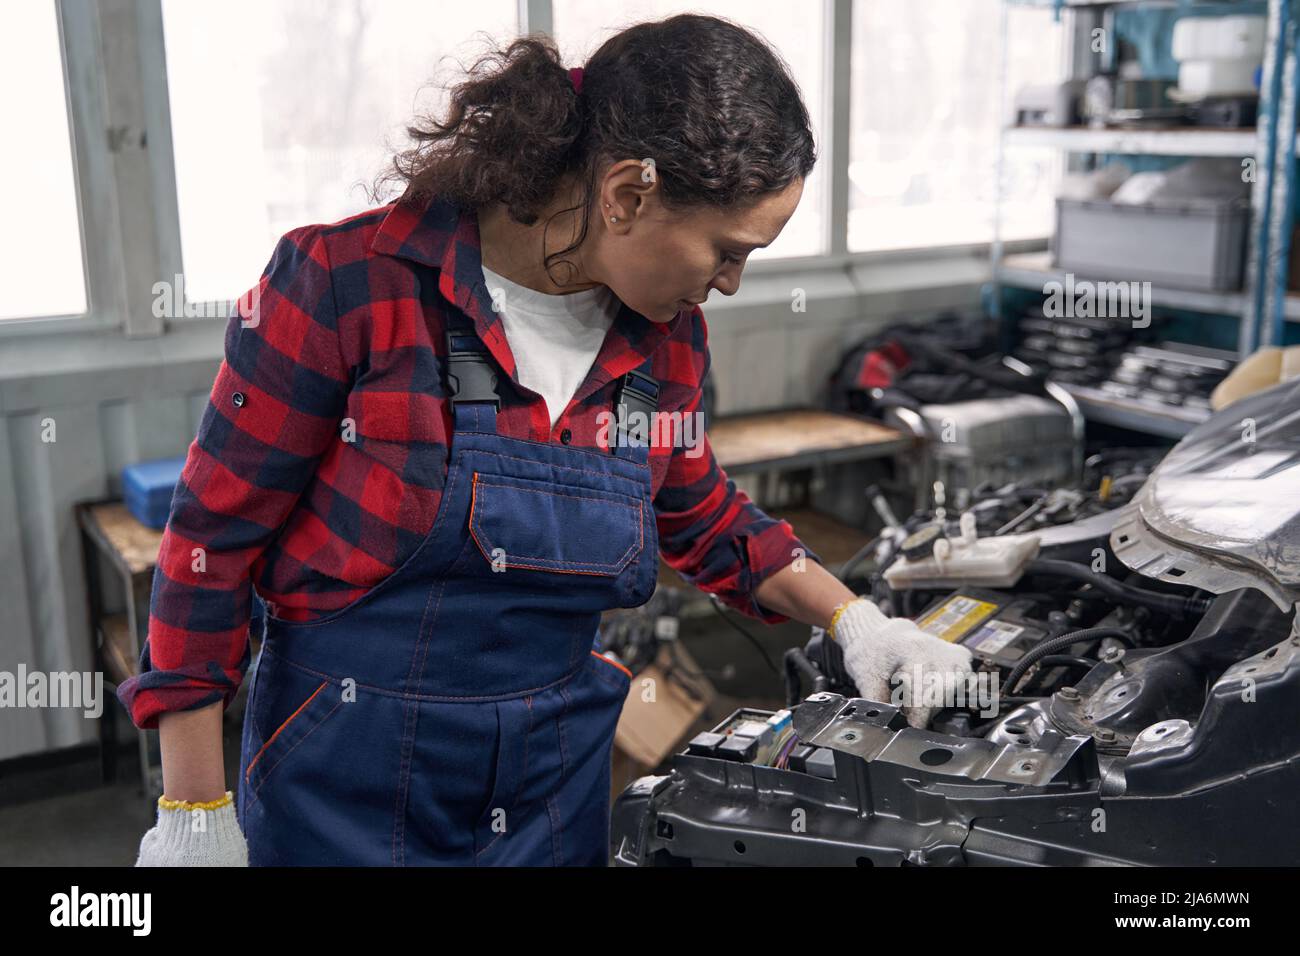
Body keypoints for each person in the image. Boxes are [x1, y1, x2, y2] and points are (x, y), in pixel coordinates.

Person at [120, 14, 972, 867]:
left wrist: (857, 621)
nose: (730, 282)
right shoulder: (347, 284)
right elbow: (208, 547)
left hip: (547, 787)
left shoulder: (663, 342)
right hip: (343, 774)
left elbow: (699, 513)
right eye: (726, 248)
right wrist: (194, 808)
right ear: (628, 194)